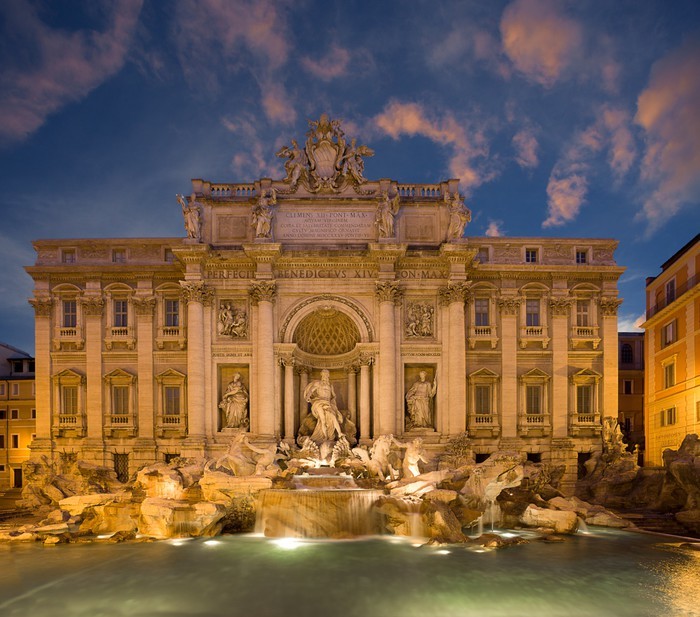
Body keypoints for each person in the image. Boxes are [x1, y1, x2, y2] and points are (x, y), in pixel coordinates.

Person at [303, 369, 345, 444]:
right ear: (321, 375)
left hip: (328, 403)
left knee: (333, 416)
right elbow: (311, 390)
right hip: (319, 402)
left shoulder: (330, 385)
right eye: (324, 374)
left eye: (327, 374)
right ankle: (325, 437)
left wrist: (334, 404)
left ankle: (339, 433)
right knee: (323, 420)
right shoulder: (318, 383)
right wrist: (307, 397)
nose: (326, 376)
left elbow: (333, 396)